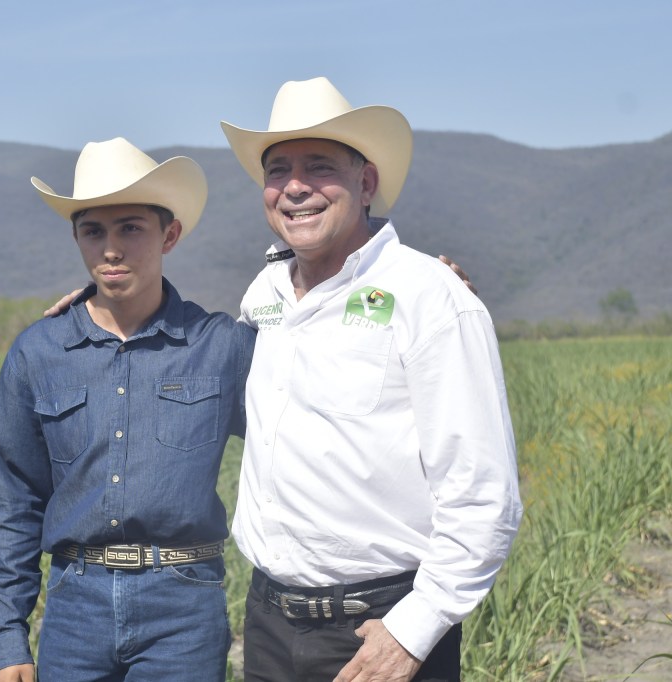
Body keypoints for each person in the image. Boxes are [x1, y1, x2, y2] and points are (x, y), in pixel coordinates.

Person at [220, 77, 523, 681]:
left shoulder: (430, 297)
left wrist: (413, 634)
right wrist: (108, 307)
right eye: (278, 169)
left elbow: (483, 495)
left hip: (381, 628)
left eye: (320, 166)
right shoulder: (265, 295)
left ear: (366, 183)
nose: (296, 186)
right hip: (269, 623)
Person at [0, 137, 256, 682]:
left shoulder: (220, 346)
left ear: (168, 234)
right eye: (93, 230)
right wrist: (7, 640)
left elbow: (323, 402)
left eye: (131, 227)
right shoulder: (40, 352)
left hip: (184, 607)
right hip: (75, 607)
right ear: (76, 237)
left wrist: (416, 291)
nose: (111, 248)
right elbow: (12, 500)